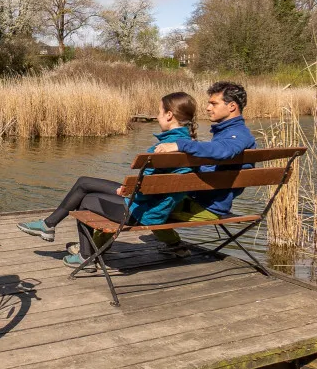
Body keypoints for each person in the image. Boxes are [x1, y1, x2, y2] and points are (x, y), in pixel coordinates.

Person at [17, 92, 200, 266]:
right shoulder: (193, 147)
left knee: (85, 199)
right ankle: (48, 225)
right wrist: (130, 190)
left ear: (169, 115)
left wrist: (127, 191)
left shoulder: (163, 150)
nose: (157, 116)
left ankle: (83, 254)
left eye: (159, 112)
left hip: (140, 212)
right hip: (157, 208)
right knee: (84, 182)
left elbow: (143, 191)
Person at [150, 80, 257, 251]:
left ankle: (174, 245)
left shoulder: (238, 135)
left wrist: (181, 145)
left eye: (213, 103)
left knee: (141, 204)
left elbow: (224, 151)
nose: (208, 108)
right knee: (150, 197)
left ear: (232, 106)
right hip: (205, 201)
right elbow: (218, 160)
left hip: (207, 207)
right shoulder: (229, 133)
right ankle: (174, 245)